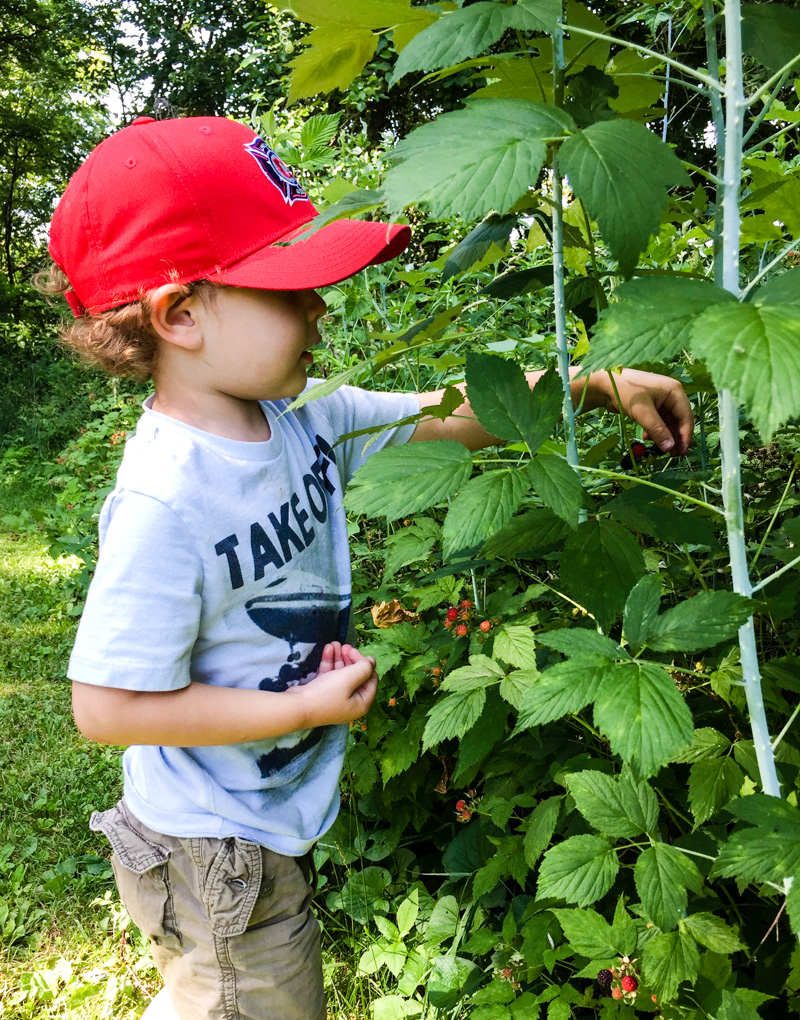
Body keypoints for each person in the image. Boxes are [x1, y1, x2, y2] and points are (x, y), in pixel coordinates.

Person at [41, 114, 693, 1020]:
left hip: (256, 814)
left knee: (210, 996)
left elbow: (453, 412)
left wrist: (594, 381)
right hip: (212, 844)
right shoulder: (166, 500)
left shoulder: (303, 418)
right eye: (288, 290)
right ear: (180, 313)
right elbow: (104, 707)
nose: (319, 307)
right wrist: (296, 709)